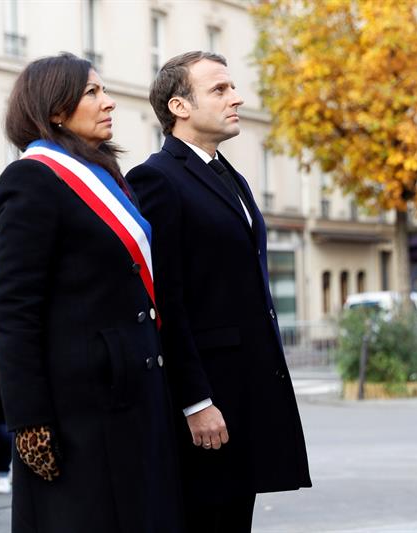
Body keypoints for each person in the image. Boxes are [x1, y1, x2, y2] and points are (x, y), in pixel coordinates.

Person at [0, 52, 182, 533]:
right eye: (92, 92)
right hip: (79, 406)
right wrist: (29, 422)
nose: (108, 102)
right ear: (56, 109)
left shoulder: (106, 174)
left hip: (133, 391)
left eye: (104, 90)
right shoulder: (31, 179)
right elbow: (14, 310)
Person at [126, 51, 312, 533]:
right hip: (207, 399)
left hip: (245, 390)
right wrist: (195, 401)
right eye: (220, 90)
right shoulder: (156, 178)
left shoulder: (230, 176)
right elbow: (165, 301)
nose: (237, 98)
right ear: (179, 107)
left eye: (233, 87)